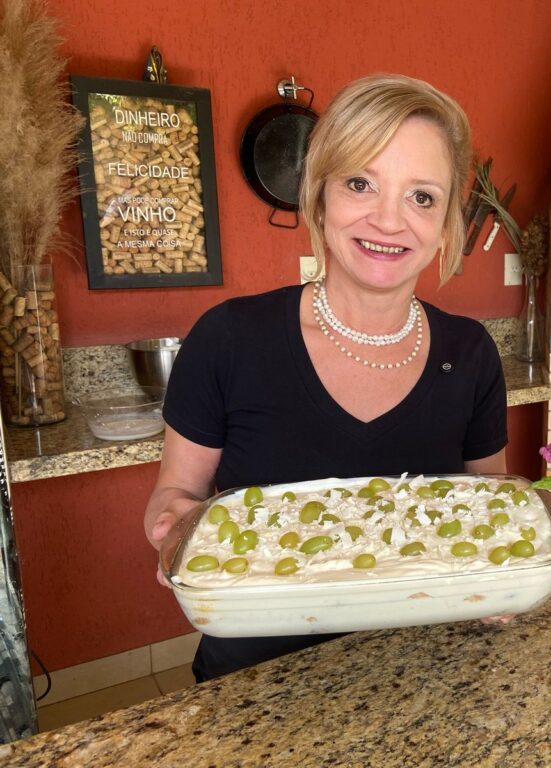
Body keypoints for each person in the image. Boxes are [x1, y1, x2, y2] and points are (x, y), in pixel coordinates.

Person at [144, 74, 508, 682]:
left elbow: (487, 510)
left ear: (447, 223)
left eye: (422, 196)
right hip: (253, 689)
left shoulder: (470, 354)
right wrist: (176, 526)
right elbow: (173, 496)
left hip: (427, 678)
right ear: (318, 197)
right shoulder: (229, 339)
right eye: (360, 183)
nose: (389, 220)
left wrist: (498, 584)